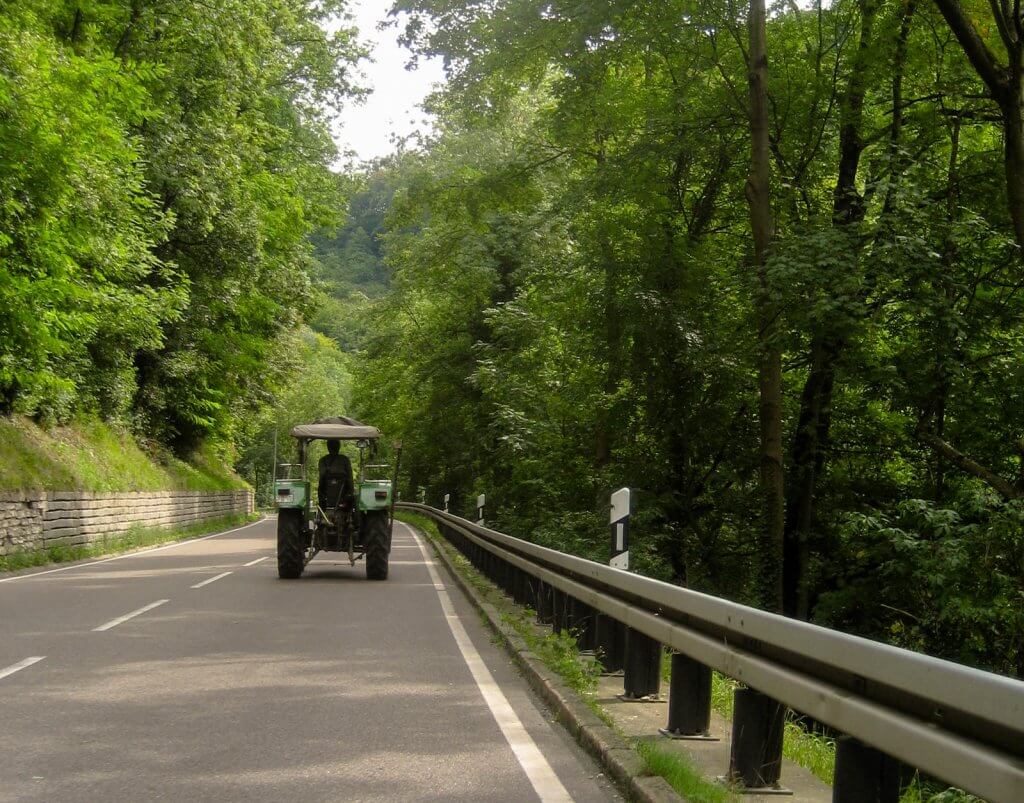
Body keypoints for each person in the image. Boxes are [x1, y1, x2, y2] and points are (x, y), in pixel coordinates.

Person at [318, 439, 353, 511]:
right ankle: (348, 509)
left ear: (328, 447)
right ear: (338, 447)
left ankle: (322, 508)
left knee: (320, 490)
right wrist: (351, 490)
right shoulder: (345, 459)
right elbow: (350, 477)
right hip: (343, 489)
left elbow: (322, 475)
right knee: (352, 496)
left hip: (327, 489)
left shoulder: (323, 460)